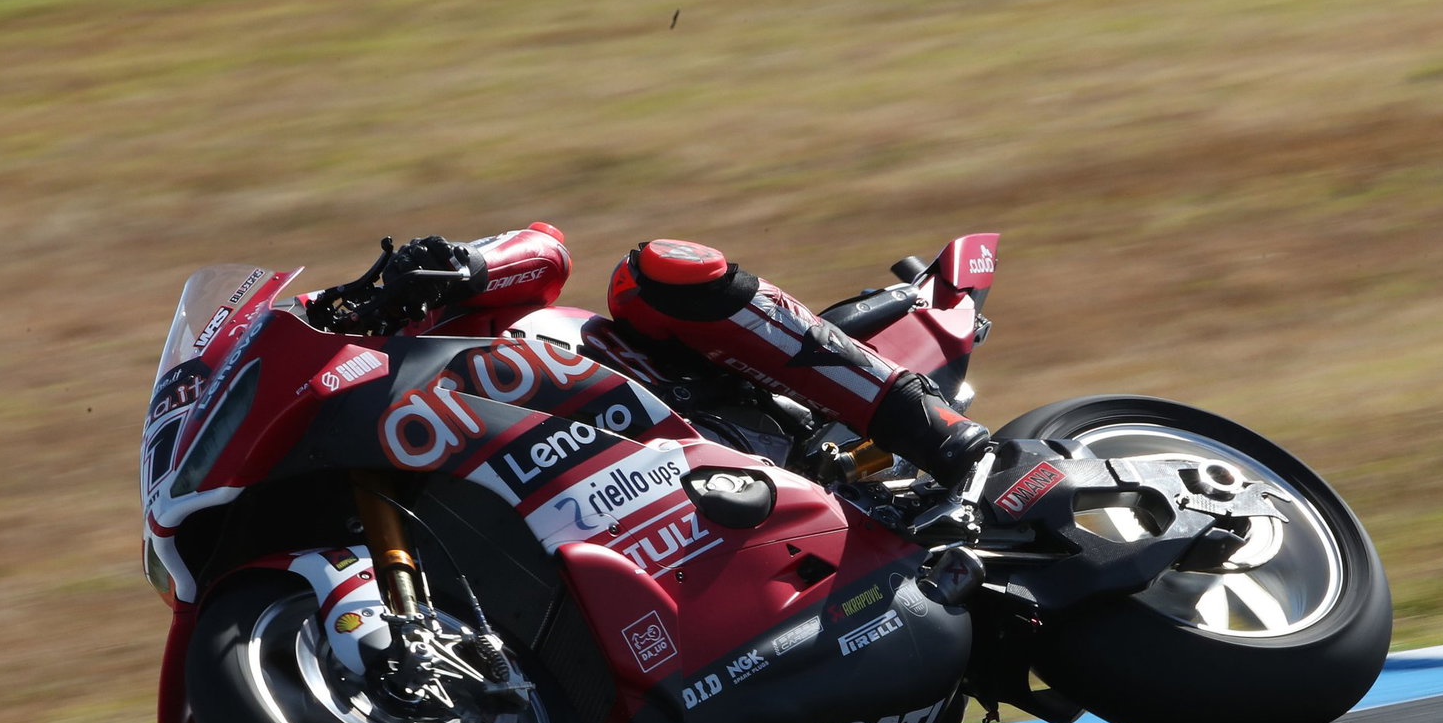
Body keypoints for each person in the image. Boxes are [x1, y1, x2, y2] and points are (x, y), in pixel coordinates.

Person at [381, 227, 992, 485]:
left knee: (652, 271)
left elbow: (548, 252)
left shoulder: (412, 317)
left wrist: (460, 264)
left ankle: (926, 423)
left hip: (717, 414)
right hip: (618, 504)